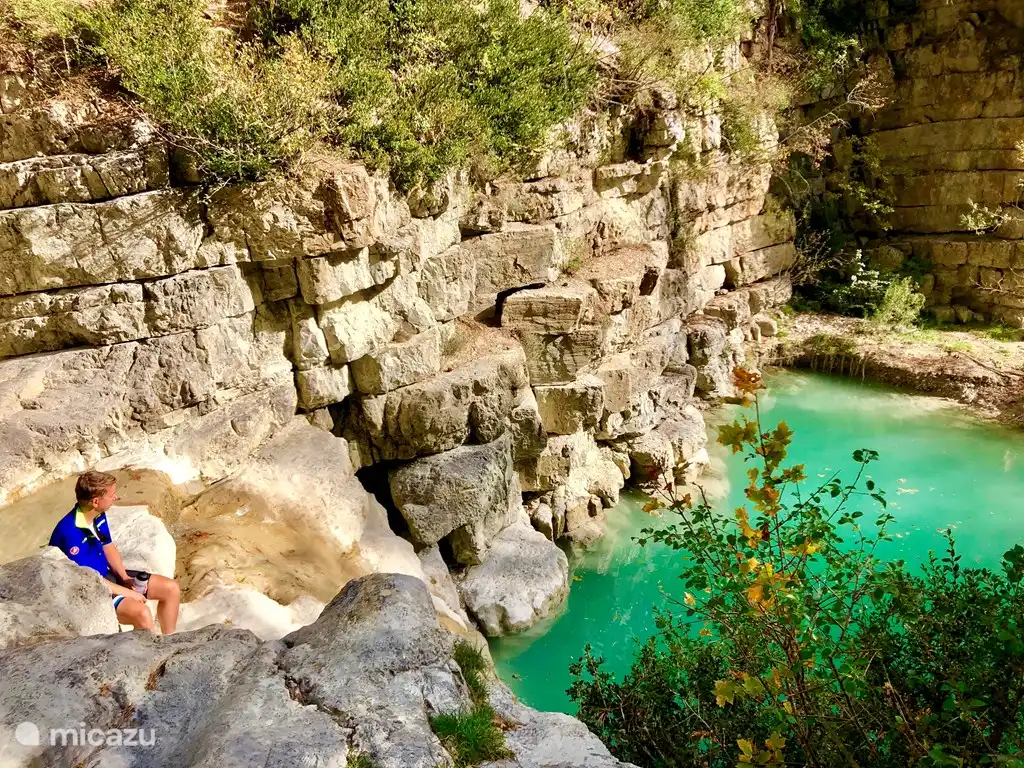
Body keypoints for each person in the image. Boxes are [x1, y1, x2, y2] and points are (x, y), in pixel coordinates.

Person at [48, 471, 180, 634]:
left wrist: (125, 578)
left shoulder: (97, 515)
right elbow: (89, 579)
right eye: (111, 495)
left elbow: (108, 546)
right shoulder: (70, 533)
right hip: (90, 590)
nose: (116, 497)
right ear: (96, 501)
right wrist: (128, 593)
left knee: (171, 589)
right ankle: (153, 648)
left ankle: (170, 639)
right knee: (142, 613)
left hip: (106, 576)